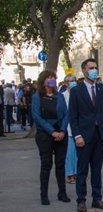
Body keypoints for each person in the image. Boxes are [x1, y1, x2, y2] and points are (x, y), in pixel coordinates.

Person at [69, 59, 103, 212]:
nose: (94, 70)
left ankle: (97, 198)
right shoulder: (76, 91)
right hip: (84, 136)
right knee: (82, 170)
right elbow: (72, 117)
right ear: (84, 71)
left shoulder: (102, 89)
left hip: (99, 135)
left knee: (96, 168)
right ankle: (81, 200)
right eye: (91, 68)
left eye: (95, 67)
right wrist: (77, 135)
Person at [32, 70, 70, 205]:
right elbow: (37, 117)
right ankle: (44, 194)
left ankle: (62, 192)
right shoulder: (37, 97)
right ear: (43, 80)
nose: (52, 79)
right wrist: (52, 132)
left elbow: (66, 114)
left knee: (61, 164)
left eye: (54, 77)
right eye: (49, 77)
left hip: (61, 133)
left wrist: (63, 131)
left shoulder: (59, 96)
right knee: (46, 164)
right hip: (45, 135)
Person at [60, 75, 78, 184]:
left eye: (74, 81)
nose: (73, 83)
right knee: (69, 153)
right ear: (65, 83)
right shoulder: (62, 96)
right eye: (70, 81)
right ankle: (70, 174)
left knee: (78, 153)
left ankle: (78, 172)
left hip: (79, 128)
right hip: (67, 129)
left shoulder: (79, 94)